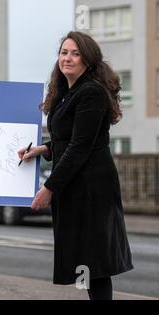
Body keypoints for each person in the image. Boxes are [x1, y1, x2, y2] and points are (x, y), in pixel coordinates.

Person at [18, 31, 133, 300]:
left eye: (75, 53)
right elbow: (67, 139)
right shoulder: (66, 93)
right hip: (75, 185)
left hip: (92, 187)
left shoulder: (91, 92)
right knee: (86, 261)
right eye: (64, 52)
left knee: (95, 263)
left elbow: (81, 146)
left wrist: (48, 188)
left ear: (88, 60)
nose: (67, 58)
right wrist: (42, 149)